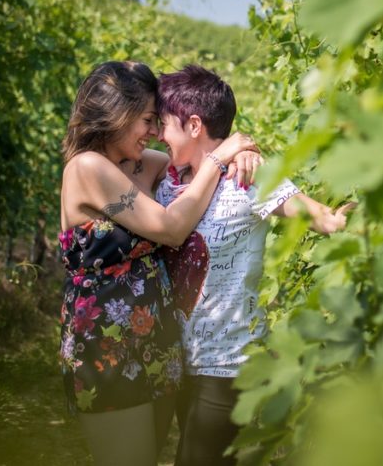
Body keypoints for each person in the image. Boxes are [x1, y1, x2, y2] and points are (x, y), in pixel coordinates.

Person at [58, 60, 262, 466]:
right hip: (107, 347)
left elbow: (198, 165)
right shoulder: (87, 168)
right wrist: (222, 159)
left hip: (157, 343)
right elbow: (170, 228)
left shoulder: (144, 165)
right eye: (147, 120)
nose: (153, 132)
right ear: (119, 113)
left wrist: (243, 153)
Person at [154, 64, 354, 466]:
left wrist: (340, 218)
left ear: (194, 125)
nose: (159, 135)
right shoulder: (167, 181)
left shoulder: (247, 178)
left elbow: (320, 216)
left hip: (228, 363)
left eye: (164, 125)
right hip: (178, 359)